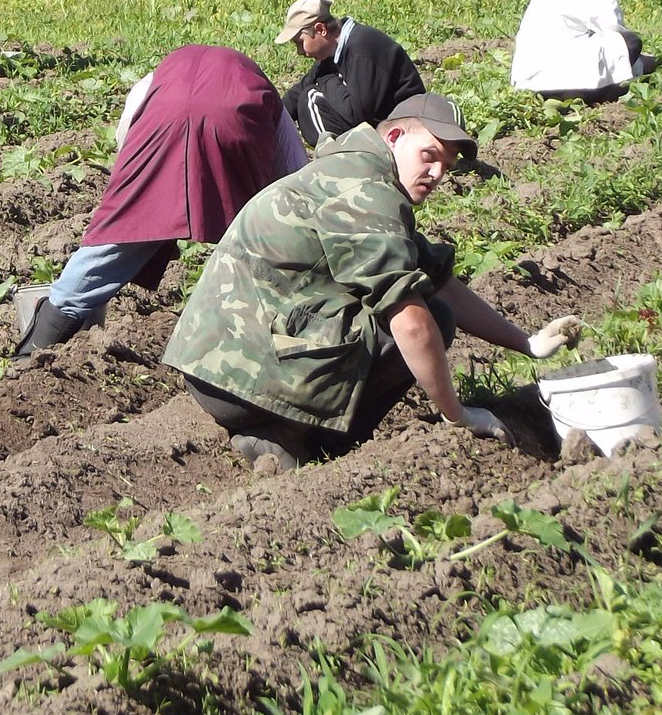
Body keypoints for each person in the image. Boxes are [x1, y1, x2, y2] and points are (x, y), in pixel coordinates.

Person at [163, 93, 582, 472]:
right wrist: (459, 415)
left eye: (446, 166)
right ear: (396, 136)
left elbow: (439, 280)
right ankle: (310, 441)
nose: (436, 173)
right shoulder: (365, 192)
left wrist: (526, 344)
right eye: (429, 155)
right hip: (239, 378)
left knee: (429, 304)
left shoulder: (354, 166)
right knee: (427, 320)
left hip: (213, 367)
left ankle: (279, 431)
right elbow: (413, 323)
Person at [15, 45, 309, 360]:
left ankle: (41, 340)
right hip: (236, 122)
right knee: (257, 230)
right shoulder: (260, 87)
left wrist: (136, 200)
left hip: (162, 118)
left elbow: (126, 138)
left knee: (127, 226)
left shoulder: (151, 81)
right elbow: (296, 178)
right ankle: (262, 335)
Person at [510, 0, 661, 102]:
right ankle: (590, 94)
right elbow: (617, 36)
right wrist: (649, 63)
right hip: (561, 80)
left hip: (528, 78)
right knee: (631, 41)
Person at [277, 0, 426, 147]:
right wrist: (273, 119)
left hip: (409, 132)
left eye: (300, 43)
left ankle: (337, 159)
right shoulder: (338, 47)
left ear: (321, 29)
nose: (300, 52)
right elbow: (299, 90)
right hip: (388, 126)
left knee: (310, 98)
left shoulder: (361, 48)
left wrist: (326, 79)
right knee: (307, 93)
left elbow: (358, 115)